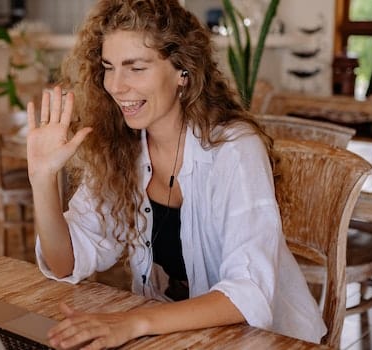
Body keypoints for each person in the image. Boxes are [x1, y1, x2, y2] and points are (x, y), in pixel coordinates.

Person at [24, 0, 326, 348]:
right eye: (109, 67)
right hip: (176, 334)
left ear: (182, 71)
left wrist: (134, 322)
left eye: (135, 68)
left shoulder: (235, 149)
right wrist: (43, 179)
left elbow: (249, 293)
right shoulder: (121, 146)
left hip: (266, 338)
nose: (116, 86)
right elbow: (66, 263)